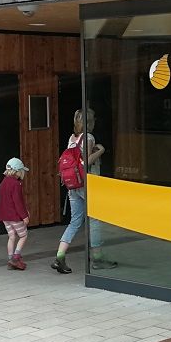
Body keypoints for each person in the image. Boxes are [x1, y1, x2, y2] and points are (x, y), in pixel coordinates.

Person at [52, 108, 116, 273]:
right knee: (94, 220)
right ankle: (97, 257)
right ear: (90, 122)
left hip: (72, 186)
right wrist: (101, 150)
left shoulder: (72, 138)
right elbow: (85, 162)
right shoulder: (88, 137)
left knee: (75, 221)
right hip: (87, 184)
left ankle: (60, 255)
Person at [0, 157, 30, 270]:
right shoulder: (16, 184)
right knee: (23, 235)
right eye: (22, 171)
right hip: (14, 216)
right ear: (17, 171)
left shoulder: (3, 182)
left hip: (4, 216)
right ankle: (15, 258)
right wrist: (24, 216)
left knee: (11, 236)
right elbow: (18, 202)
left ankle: (10, 258)